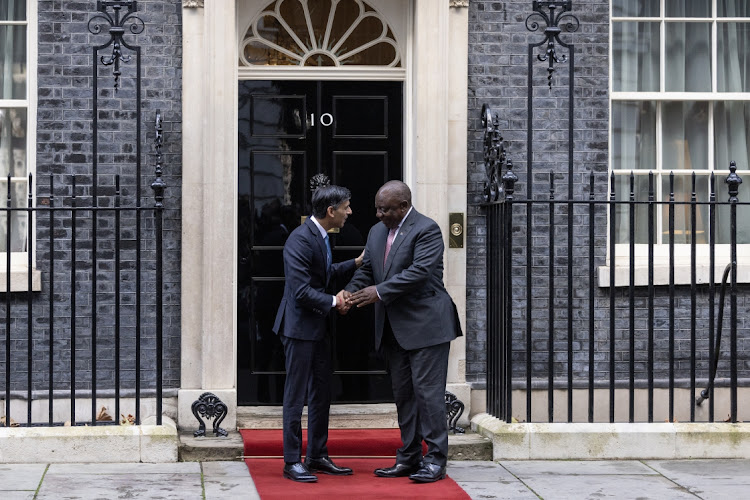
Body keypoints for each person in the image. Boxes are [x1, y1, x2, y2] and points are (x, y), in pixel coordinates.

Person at [345, 180, 462, 483]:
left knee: (428, 396)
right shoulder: (376, 232)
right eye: (377, 208)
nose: (378, 214)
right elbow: (368, 269)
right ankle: (409, 457)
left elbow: (419, 273)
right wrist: (350, 293)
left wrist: (378, 293)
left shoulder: (427, 229)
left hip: (427, 326)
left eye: (384, 209)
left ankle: (435, 460)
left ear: (403, 206)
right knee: (404, 397)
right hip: (393, 328)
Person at [272, 184, 363, 483]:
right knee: (296, 396)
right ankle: (291, 460)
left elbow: (323, 273)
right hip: (298, 329)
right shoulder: (299, 239)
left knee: (321, 392)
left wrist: (356, 263)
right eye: (346, 207)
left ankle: (317, 455)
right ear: (330, 211)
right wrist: (334, 301)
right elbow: (300, 291)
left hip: (318, 327)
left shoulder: (320, 235)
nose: (349, 212)